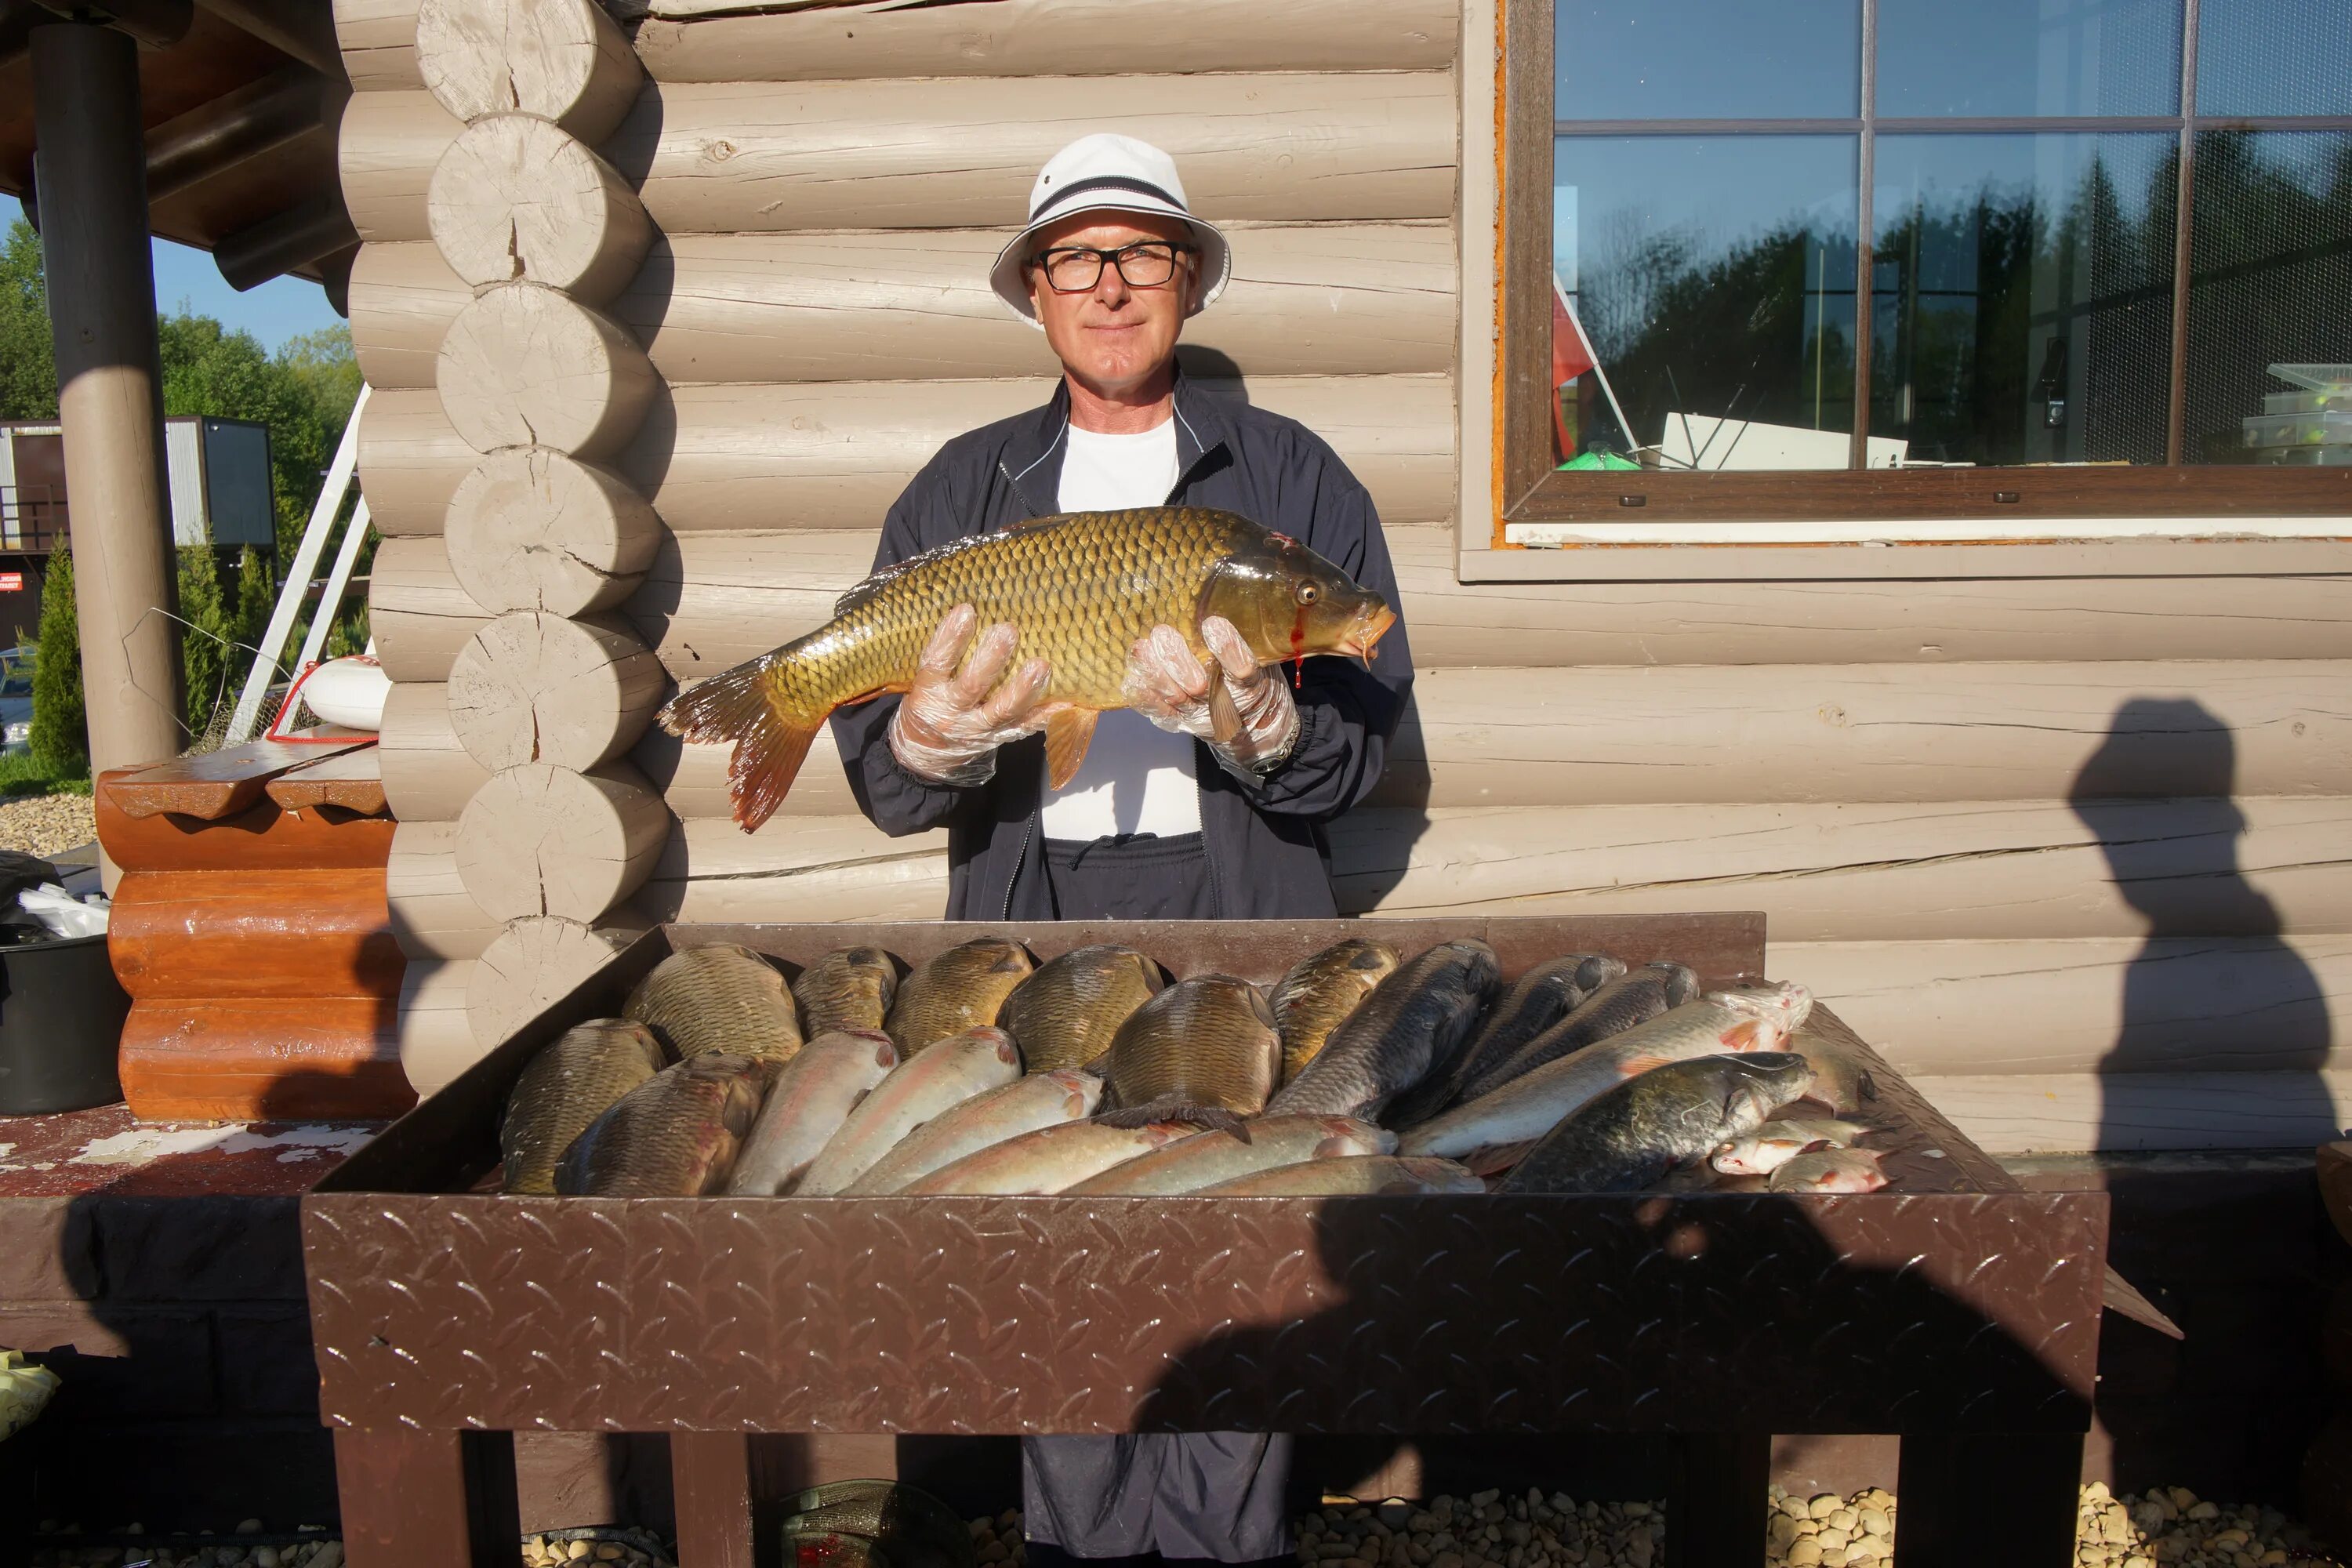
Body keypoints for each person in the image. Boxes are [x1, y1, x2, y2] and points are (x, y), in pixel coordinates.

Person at [829, 132, 1415, 1568]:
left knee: (1232, 1237)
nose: (1109, 287)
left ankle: (1231, 1547)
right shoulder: (963, 492)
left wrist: (1268, 726)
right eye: (1077, 259)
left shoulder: (1289, 478)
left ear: (1187, 283)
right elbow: (888, 791)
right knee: (1057, 1245)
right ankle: (1075, 1544)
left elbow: (1367, 744)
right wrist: (933, 738)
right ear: (1037, 293)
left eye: (1141, 256)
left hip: (1238, 906)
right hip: (1037, 905)